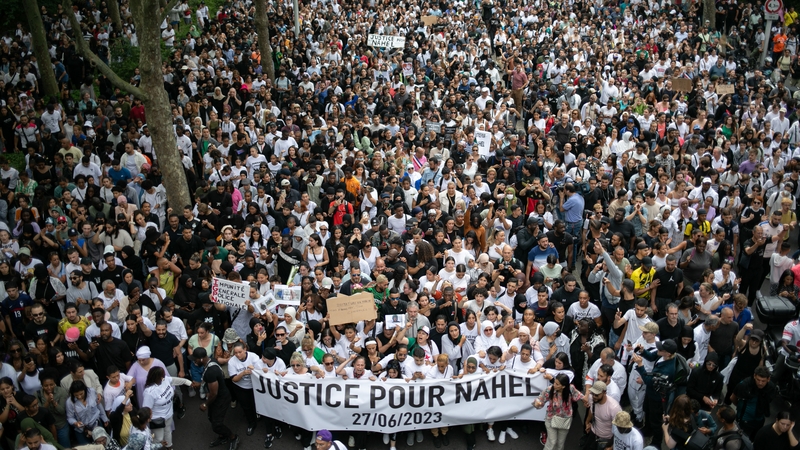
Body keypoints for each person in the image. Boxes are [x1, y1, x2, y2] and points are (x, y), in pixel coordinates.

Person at [192, 347, 239, 450]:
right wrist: (200, 384)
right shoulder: (211, 360)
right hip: (217, 397)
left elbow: (213, 393)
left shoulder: (211, 371)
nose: (193, 361)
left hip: (221, 399)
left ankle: (233, 437)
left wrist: (205, 404)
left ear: (200, 359)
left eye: (194, 359)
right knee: (211, 418)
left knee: (217, 425)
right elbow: (211, 382)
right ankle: (223, 437)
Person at [533, 372, 584, 450]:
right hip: (551, 418)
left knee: (560, 443)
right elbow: (540, 398)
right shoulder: (550, 389)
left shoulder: (571, 388)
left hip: (565, 420)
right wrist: (537, 403)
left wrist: (587, 401)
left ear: (563, 386)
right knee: (552, 442)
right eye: (554, 382)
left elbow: (580, 396)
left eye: (557, 384)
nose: (554, 385)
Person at [731, 366, 778, 440]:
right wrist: (740, 407)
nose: (760, 383)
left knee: (754, 439)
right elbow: (733, 398)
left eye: (763, 381)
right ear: (754, 376)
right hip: (744, 419)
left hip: (759, 419)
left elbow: (769, 400)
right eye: (758, 380)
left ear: (768, 379)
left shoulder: (771, 388)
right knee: (740, 439)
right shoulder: (744, 385)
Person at [583, 381, 621, 450]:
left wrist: (612, 446)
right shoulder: (592, 399)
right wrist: (587, 422)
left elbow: (619, 428)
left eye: (597, 395)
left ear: (604, 393)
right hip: (593, 433)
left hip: (606, 439)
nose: (594, 396)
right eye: (593, 393)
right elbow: (592, 411)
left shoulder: (614, 408)